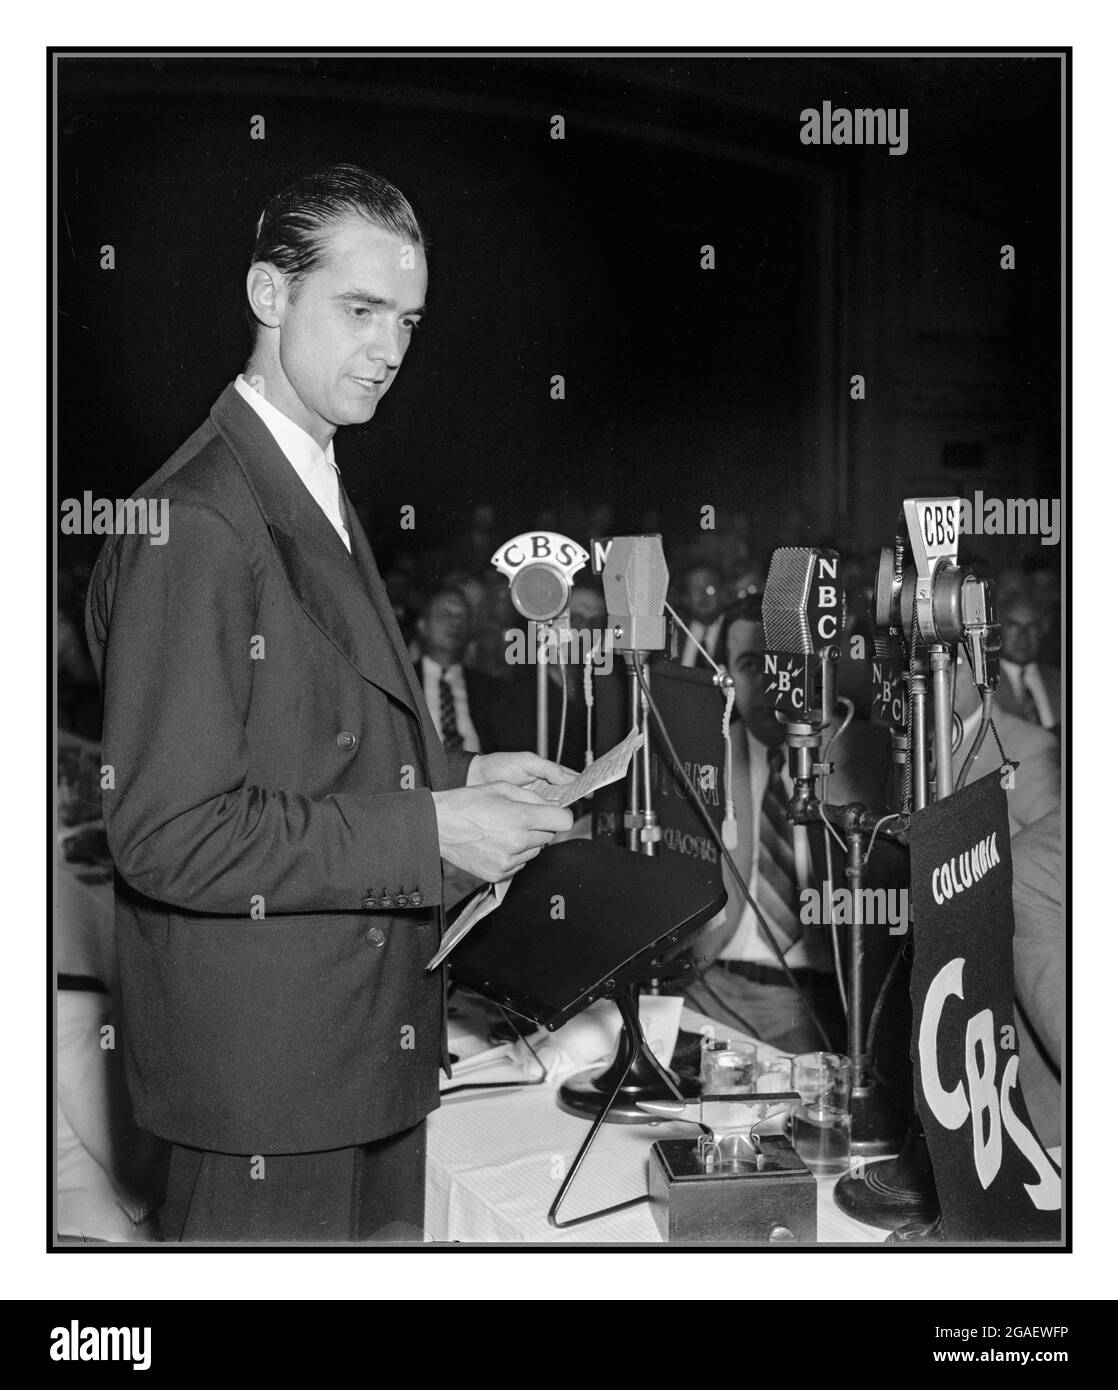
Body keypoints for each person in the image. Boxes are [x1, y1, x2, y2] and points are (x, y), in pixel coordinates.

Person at [84, 164, 575, 1243]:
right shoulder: (200, 521)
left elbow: (299, 748)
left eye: (407, 319)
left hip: (353, 1061)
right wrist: (431, 827)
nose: (390, 349)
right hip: (272, 1089)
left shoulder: (307, 474)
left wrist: (455, 778)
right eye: (359, 311)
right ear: (268, 294)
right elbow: (170, 832)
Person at [688, 597, 889, 1053]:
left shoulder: (871, 759)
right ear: (727, 678)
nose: (767, 684)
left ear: (817, 666)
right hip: (713, 993)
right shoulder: (700, 753)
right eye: (748, 665)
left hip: (826, 1007)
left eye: (782, 665)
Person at [414, 586, 501, 755]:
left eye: (462, 616)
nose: (455, 623)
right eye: (445, 615)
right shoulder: (403, 680)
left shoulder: (489, 689)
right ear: (423, 625)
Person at [994, 589, 1061, 734]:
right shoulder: (983, 685)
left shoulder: (1059, 681)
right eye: (1014, 626)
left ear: (1043, 628)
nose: (1023, 637)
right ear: (998, 628)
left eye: (1031, 626)